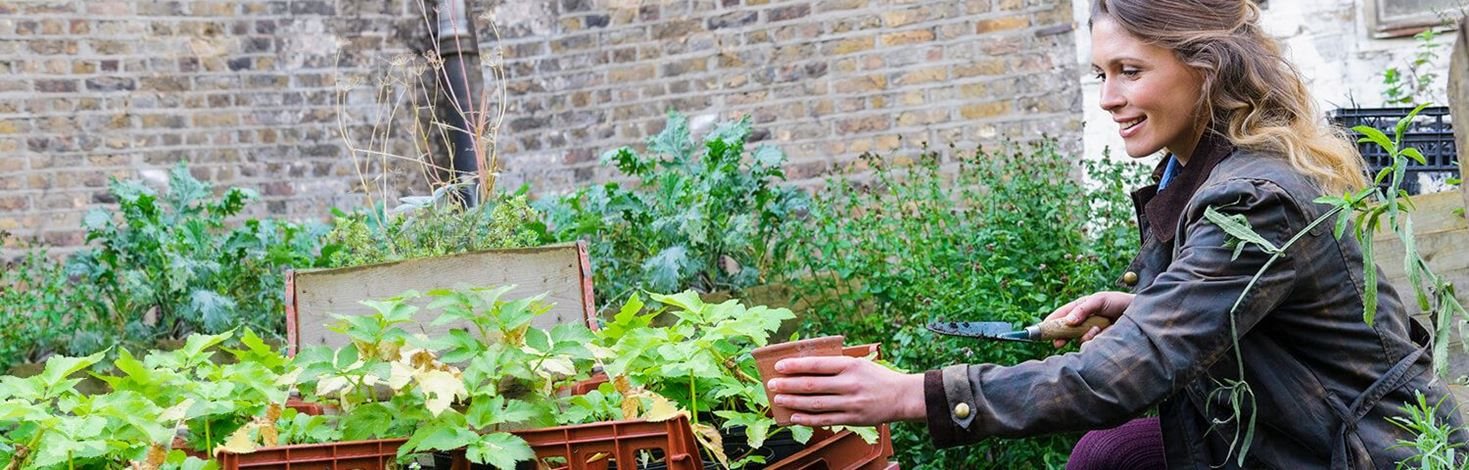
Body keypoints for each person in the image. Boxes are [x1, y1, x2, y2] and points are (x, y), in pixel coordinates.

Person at [764, 0, 1468, 468]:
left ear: (1206, 68)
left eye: (1129, 71)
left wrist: (907, 394)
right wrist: (1142, 308)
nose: (1108, 98)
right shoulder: (1195, 171)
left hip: (1357, 454)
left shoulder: (1255, 197)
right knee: (1112, 453)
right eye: (1100, 73)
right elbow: (1217, 317)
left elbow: (1123, 374)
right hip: (1283, 430)